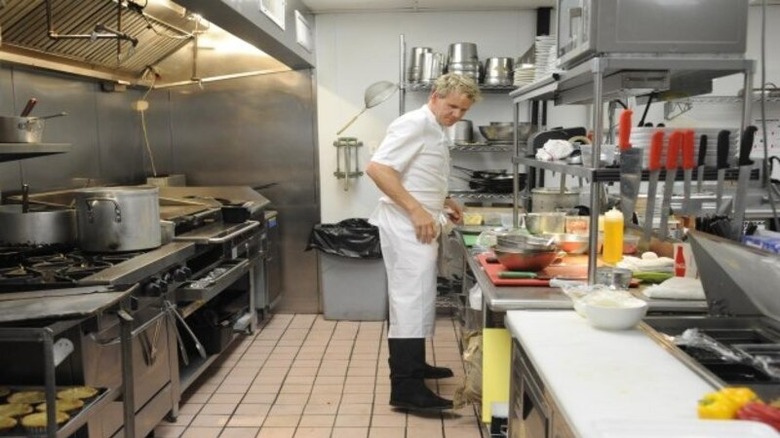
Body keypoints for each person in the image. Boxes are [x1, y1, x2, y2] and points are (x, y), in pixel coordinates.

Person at [365, 73, 481, 411]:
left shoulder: (434, 127)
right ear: (434, 96)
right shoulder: (414, 123)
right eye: (452, 106)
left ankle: (415, 367)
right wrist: (417, 210)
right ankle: (404, 388)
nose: (457, 115)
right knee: (409, 300)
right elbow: (379, 169)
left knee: (417, 298)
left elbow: (418, 173)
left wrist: (445, 199)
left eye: (463, 110)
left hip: (421, 222)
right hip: (406, 225)